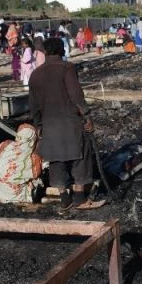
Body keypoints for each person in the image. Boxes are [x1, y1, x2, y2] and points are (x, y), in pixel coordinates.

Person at [28, 37, 103, 211]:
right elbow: (76, 94)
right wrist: (86, 114)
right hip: (70, 121)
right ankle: (79, 199)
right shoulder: (66, 68)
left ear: (45, 52)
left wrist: (39, 124)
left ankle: (64, 200)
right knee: (81, 157)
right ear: (62, 50)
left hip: (49, 124)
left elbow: (33, 105)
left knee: (56, 160)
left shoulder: (35, 74)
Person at [0, 123, 43, 203]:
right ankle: (21, 197)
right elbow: (36, 173)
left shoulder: (7, 144)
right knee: (36, 177)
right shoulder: (34, 156)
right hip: (16, 193)